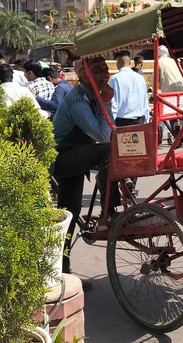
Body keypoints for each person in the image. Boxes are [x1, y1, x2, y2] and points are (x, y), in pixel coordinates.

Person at [51, 58, 117, 277]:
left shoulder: (93, 96)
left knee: (69, 216)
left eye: (106, 70)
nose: (105, 74)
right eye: (98, 71)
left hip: (75, 155)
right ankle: (108, 212)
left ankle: (63, 272)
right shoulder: (78, 99)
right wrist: (107, 103)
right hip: (63, 158)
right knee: (108, 150)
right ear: (83, 75)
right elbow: (102, 135)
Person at [109, 51, 149, 126]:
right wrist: (146, 121)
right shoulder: (140, 78)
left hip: (122, 122)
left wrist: (111, 123)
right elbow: (145, 102)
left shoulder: (115, 79)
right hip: (139, 120)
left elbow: (114, 103)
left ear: (117, 61)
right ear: (130, 62)